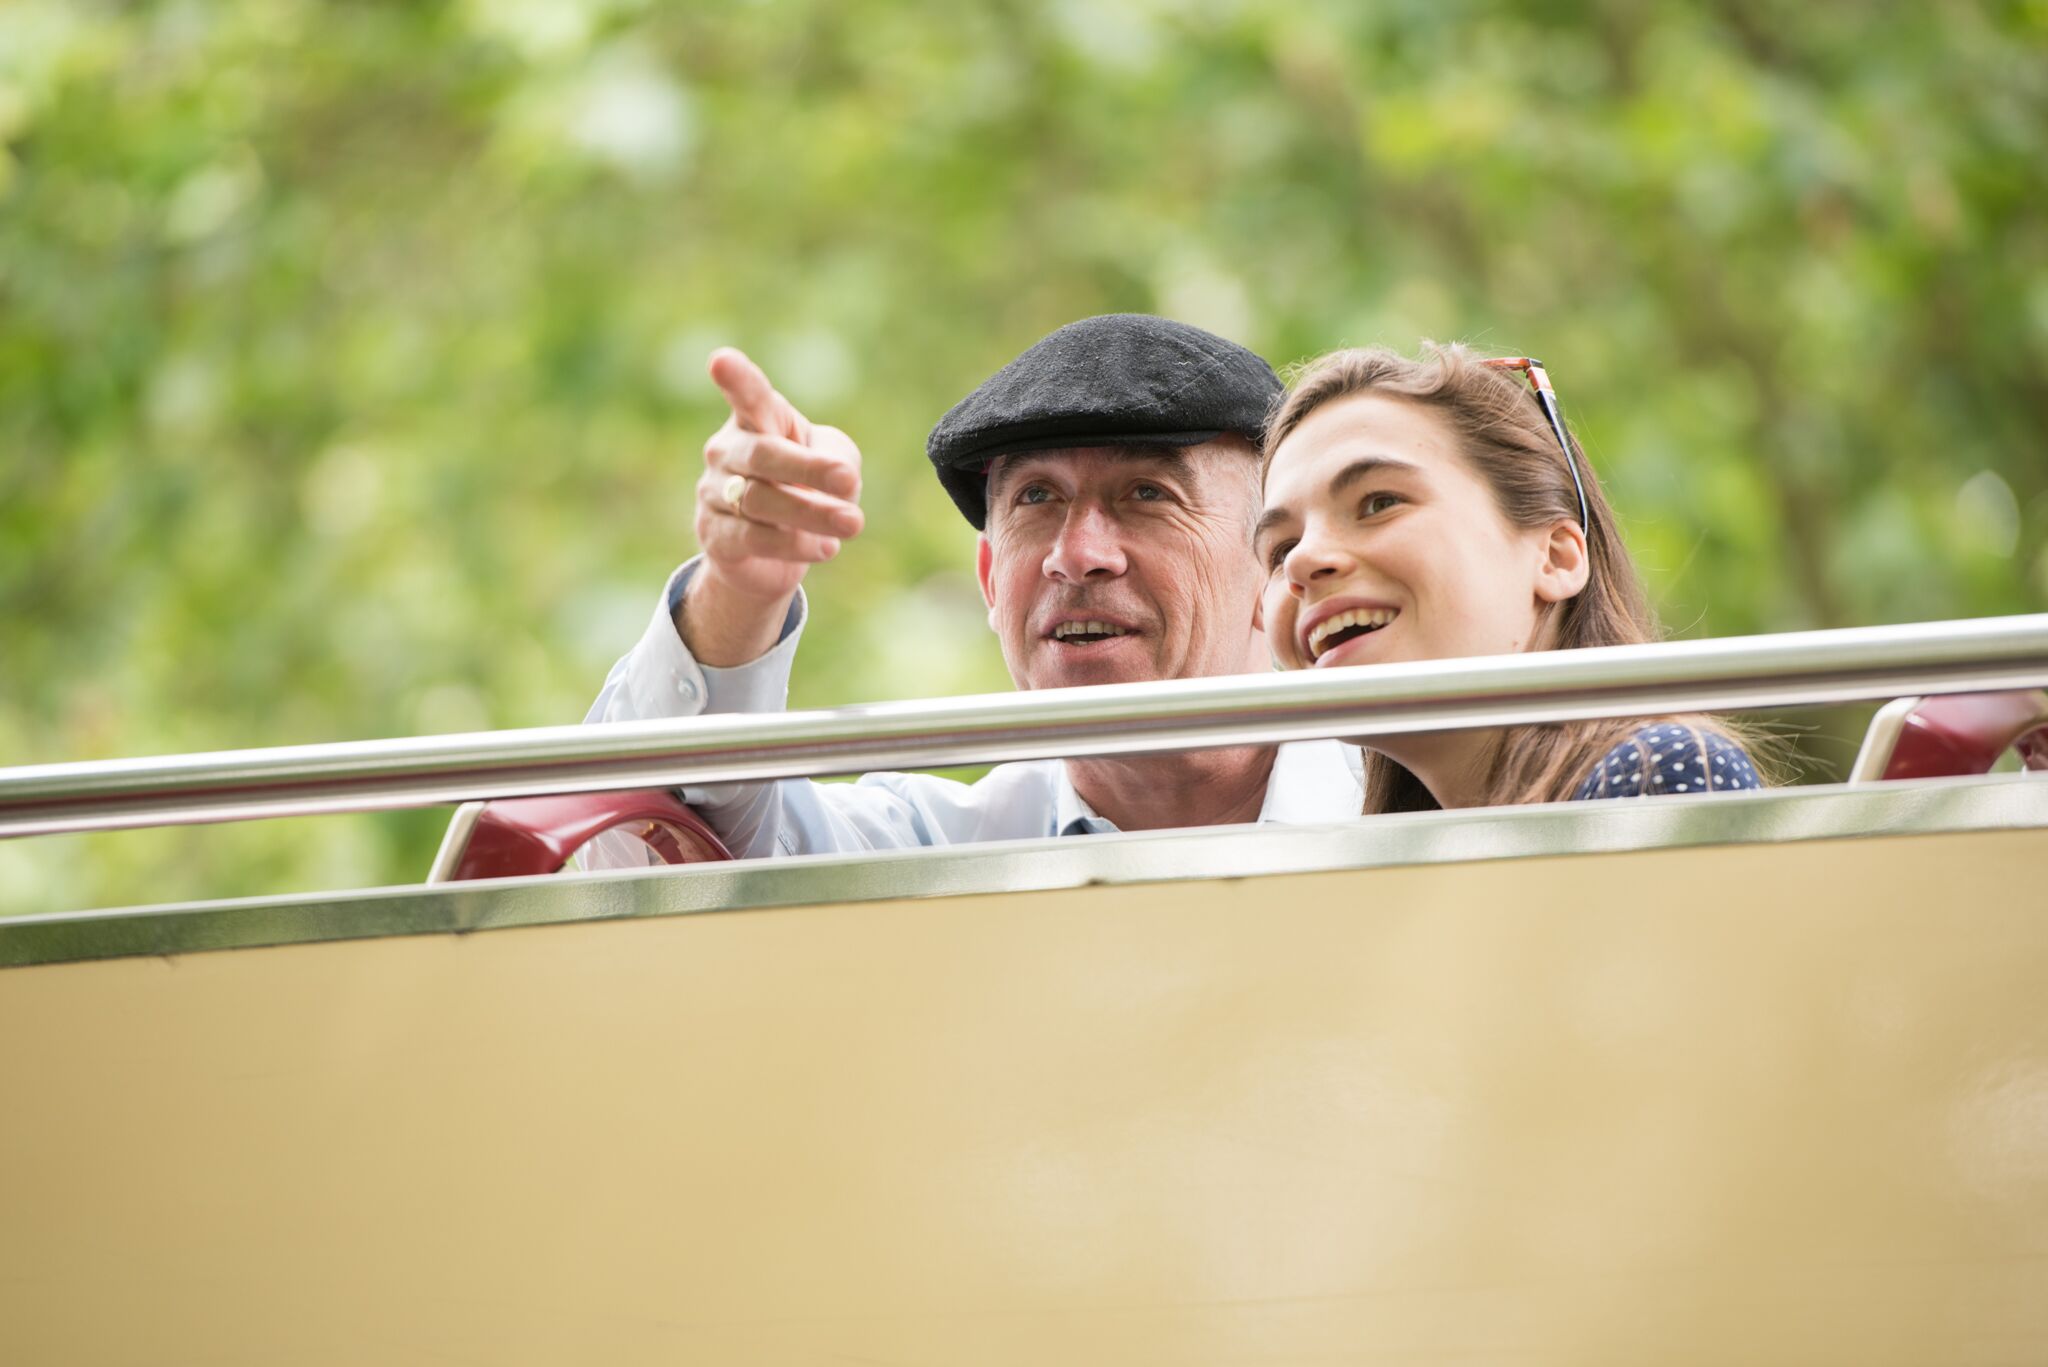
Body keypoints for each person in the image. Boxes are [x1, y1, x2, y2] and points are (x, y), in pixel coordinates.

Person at [586, 314, 1362, 859]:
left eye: (1147, 495)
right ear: (992, 582)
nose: (1077, 555)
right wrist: (739, 588)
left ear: (1274, 566)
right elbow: (644, 843)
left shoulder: (1415, 806)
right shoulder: (930, 858)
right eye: (1037, 499)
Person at [1252, 344, 1766, 813]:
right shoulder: (1379, 861)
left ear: (1557, 559)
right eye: (1281, 549)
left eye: (1379, 503)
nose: (1302, 561)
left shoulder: (1652, 776)